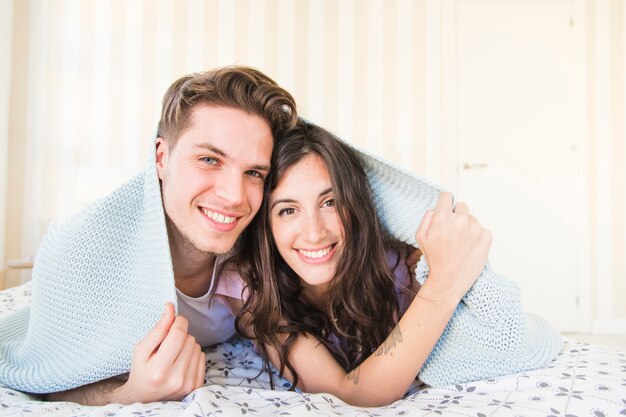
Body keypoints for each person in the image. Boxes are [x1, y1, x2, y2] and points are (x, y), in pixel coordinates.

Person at [0, 66, 297, 405]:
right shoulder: (80, 248)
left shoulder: (265, 237)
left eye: (253, 172)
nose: (234, 196)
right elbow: (49, 376)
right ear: (161, 157)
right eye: (209, 159)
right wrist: (132, 393)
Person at [227, 120, 562, 407]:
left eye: (330, 202)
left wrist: (446, 270)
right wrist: (442, 286)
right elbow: (351, 396)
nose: (314, 232)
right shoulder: (263, 302)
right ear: (266, 227)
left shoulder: (401, 267)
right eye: (288, 210)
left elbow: (508, 341)